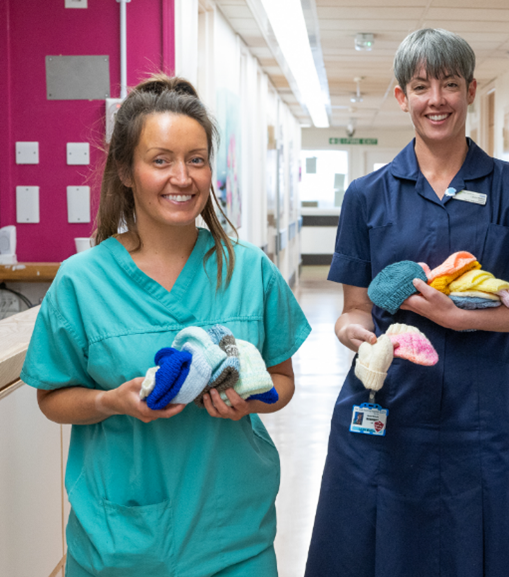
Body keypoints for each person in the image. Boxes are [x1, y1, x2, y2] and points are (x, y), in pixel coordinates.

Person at [304, 28, 509, 577]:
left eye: (450, 84)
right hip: (387, 399)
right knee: (374, 539)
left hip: (481, 409)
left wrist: (463, 318)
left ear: (471, 90)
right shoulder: (367, 195)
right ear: (402, 96)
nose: (437, 100)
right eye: (422, 86)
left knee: (483, 541)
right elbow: (354, 307)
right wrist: (352, 332)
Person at [20, 74, 310, 576]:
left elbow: (282, 382)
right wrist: (111, 401)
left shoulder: (247, 270)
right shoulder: (82, 281)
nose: (183, 177)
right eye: (161, 160)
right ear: (126, 172)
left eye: (196, 159)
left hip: (234, 534)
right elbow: (52, 398)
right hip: (119, 541)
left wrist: (248, 400)